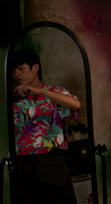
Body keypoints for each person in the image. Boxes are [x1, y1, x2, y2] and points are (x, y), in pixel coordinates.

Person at [11, 49, 80, 204]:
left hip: (52, 161)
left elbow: (75, 104)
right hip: (22, 163)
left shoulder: (55, 92)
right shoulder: (11, 97)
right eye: (13, 71)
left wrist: (41, 91)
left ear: (35, 68)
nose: (16, 74)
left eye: (21, 69)